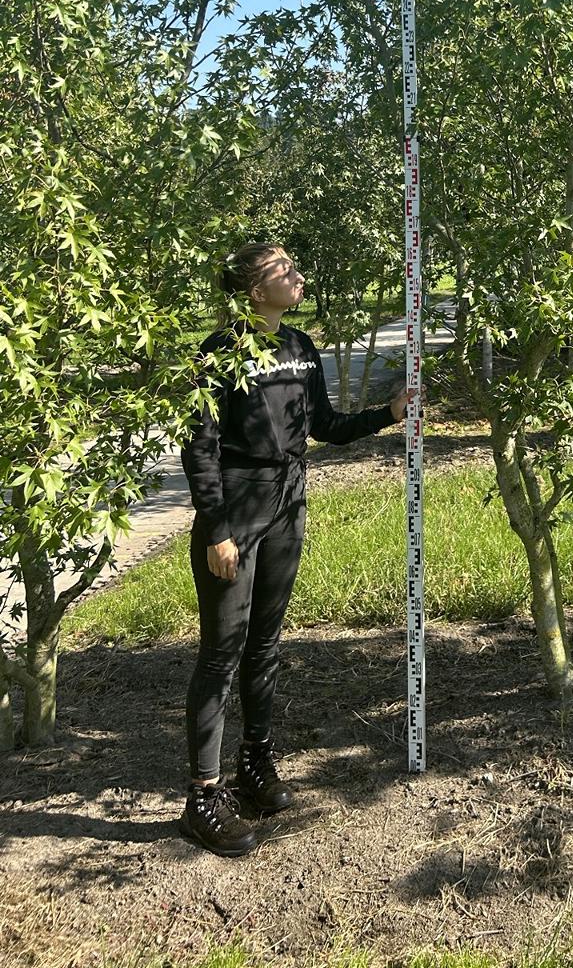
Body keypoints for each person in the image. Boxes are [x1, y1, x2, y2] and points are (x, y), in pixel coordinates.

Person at [179, 242, 411, 856]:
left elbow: (324, 426)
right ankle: (202, 797)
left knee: (265, 645)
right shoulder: (218, 354)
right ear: (256, 291)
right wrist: (220, 529)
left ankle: (255, 766)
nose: (297, 274)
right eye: (284, 269)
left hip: (288, 507)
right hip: (235, 513)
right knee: (221, 653)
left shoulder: (301, 347)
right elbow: (198, 449)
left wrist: (388, 414)